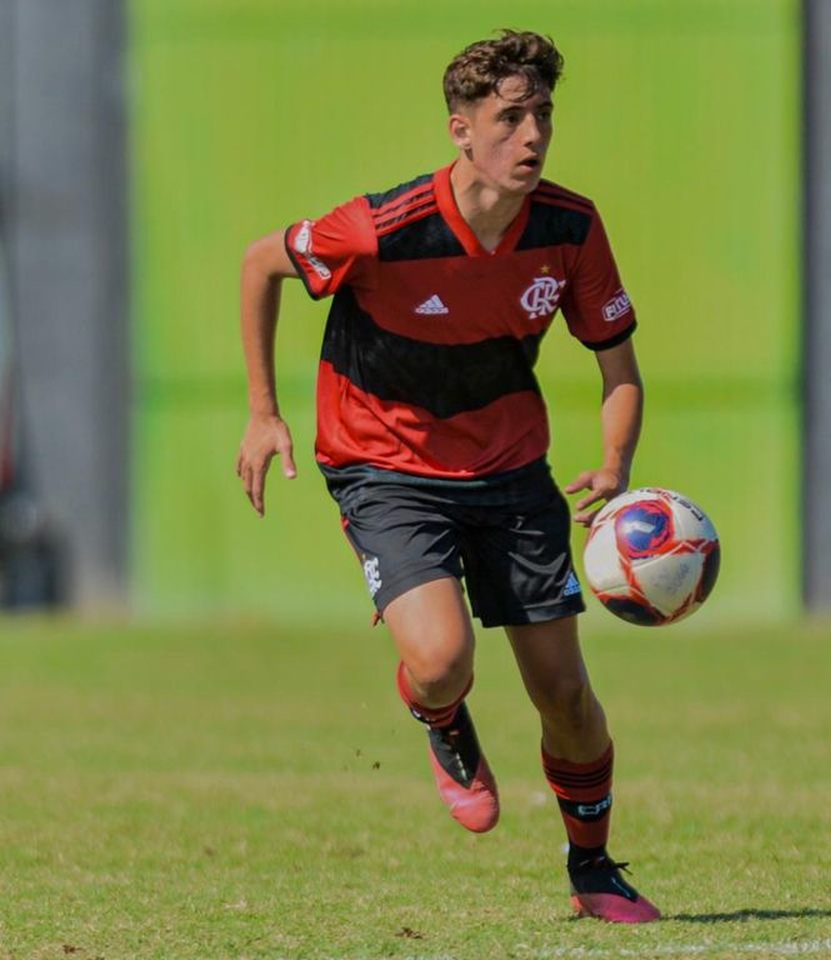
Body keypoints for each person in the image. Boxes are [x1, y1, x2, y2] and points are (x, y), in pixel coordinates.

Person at [234, 30, 657, 923]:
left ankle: (594, 871)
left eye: (542, 114)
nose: (533, 135)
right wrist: (264, 411)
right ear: (461, 130)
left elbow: (620, 371)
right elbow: (259, 262)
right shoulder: (384, 229)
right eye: (510, 117)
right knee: (440, 659)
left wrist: (616, 465)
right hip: (384, 465)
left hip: (509, 469)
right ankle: (440, 714)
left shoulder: (570, 229)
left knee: (568, 695)